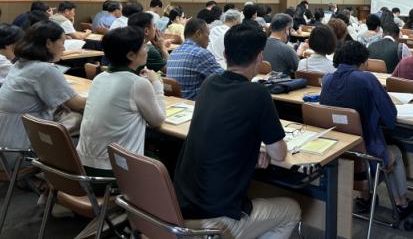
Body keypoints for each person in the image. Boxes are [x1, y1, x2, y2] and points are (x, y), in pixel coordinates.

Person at [174, 24, 301, 238]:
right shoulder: (257, 94)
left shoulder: (209, 84)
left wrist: (253, 149)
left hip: (180, 207)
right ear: (260, 57)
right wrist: (263, 148)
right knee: (292, 210)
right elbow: (279, 154)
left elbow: (223, 132)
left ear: (225, 55)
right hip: (215, 219)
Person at [321, 41, 413, 218]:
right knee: (394, 151)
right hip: (367, 158)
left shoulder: (327, 79)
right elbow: (390, 118)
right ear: (363, 61)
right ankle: (402, 203)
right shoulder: (366, 79)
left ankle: (364, 198)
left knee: (357, 139)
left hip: (337, 154)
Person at [77, 26, 165, 175]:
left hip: (83, 165)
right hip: (114, 170)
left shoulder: (99, 78)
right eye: (144, 46)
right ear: (131, 55)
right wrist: (156, 84)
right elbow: (158, 121)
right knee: (165, 161)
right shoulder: (138, 83)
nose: (147, 50)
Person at [0, 21, 86, 153]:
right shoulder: (44, 69)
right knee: (80, 118)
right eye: (62, 42)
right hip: (22, 143)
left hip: (7, 138)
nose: (64, 48)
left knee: (66, 113)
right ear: (48, 43)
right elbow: (78, 104)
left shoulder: (20, 64)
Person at [167, 18, 224, 99]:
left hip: (177, 104)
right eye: (208, 35)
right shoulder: (200, 54)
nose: (209, 40)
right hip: (194, 104)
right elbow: (225, 79)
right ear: (198, 33)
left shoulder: (174, 52)